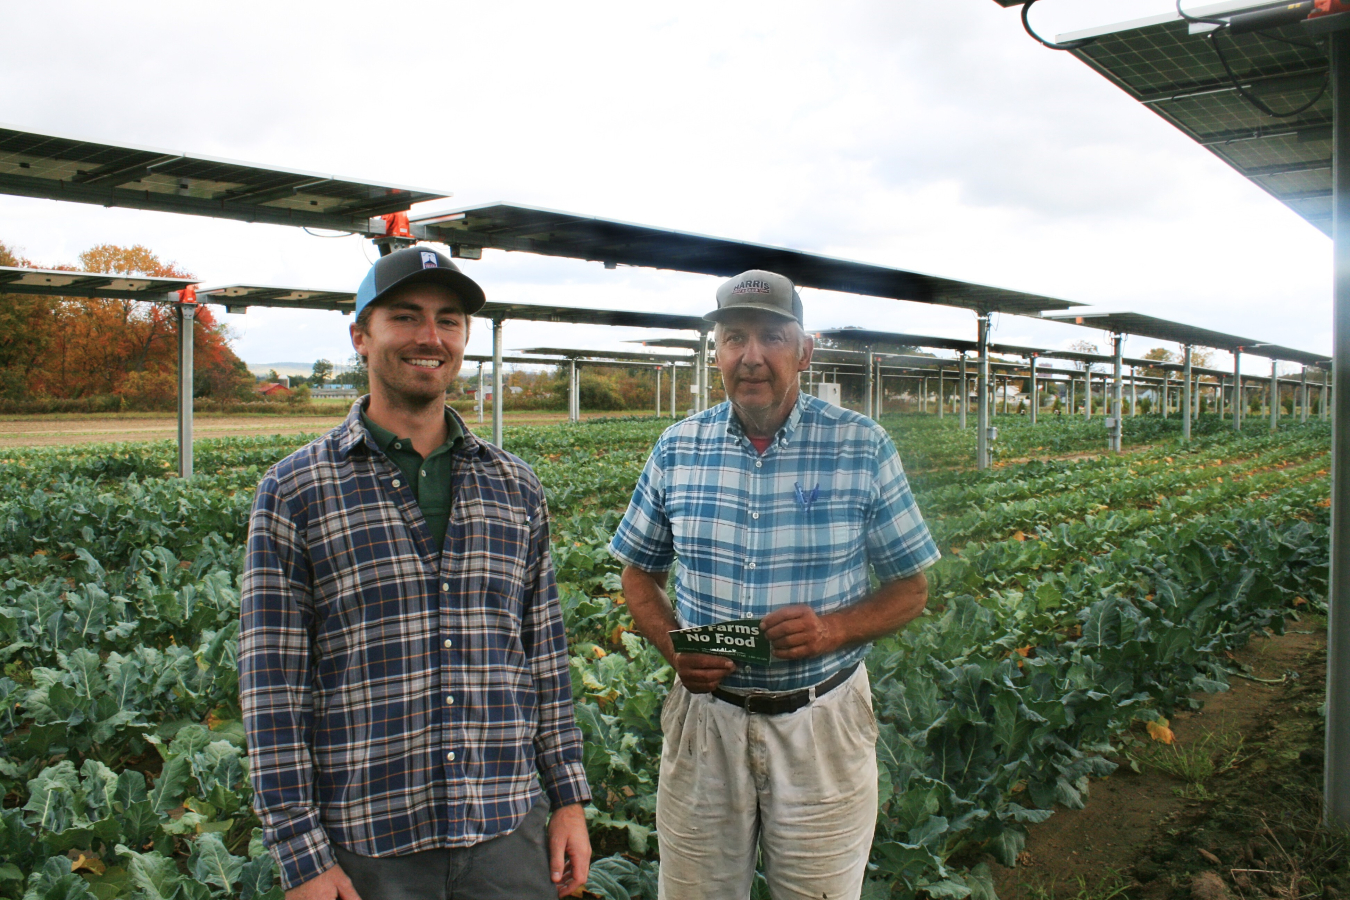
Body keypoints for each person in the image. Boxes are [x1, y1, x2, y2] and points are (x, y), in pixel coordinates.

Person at [240, 246, 591, 900]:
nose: (431, 337)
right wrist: (302, 855)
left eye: (448, 321)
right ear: (360, 336)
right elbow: (272, 687)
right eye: (405, 317)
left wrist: (568, 799)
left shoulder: (515, 486)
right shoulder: (296, 491)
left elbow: (545, 658)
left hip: (507, 832)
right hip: (369, 844)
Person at [609, 270, 941, 900]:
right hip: (707, 722)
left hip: (821, 720)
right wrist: (674, 645)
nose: (751, 356)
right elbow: (639, 572)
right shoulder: (677, 449)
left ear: (804, 351)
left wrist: (833, 628)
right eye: (735, 337)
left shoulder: (862, 446)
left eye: (771, 337)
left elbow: (911, 588)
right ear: (717, 353)